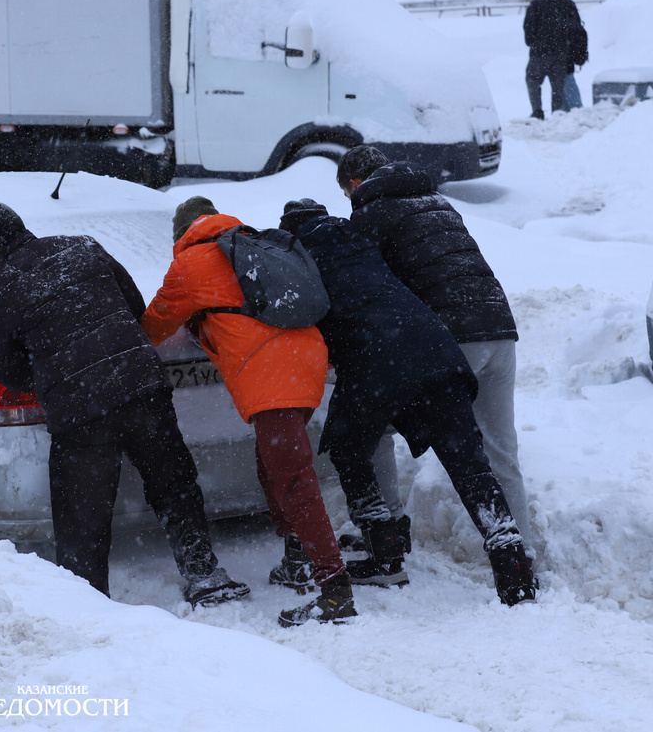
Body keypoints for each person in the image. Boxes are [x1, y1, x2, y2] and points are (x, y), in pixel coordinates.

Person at [0, 201, 249, 608]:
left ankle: (91, 605)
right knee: (173, 484)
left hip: (81, 412)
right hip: (140, 384)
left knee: (83, 518)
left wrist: (54, 371)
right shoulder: (83, 246)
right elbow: (133, 306)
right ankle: (204, 573)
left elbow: (9, 370)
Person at [279, 199, 536, 607]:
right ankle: (514, 571)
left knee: (349, 450)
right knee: (469, 464)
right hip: (436, 348)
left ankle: (385, 555)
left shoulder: (299, 255)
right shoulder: (358, 239)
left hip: (377, 359)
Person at [140, 196, 355, 627]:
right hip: (307, 359)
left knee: (294, 478)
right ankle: (297, 558)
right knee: (271, 462)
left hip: (270, 373)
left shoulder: (190, 263)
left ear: (181, 234)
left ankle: (334, 591)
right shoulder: (252, 245)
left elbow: (153, 327)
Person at [337, 146, 534, 582]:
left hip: (451, 337)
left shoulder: (371, 212)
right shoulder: (435, 201)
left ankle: (388, 532)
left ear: (354, 184)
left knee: (374, 428)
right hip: (499, 327)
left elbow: (369, 289)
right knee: (501, 449)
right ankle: (524, 553)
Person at [523, 0, 583, 119]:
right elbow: (576, 30)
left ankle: (537, 111)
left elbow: (528, 34)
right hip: (561, 54)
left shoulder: (535, 5)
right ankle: (557, 115)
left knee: (532, 81)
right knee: (557, 87)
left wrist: (536, 42)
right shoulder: (568, 4)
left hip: (539, 54)